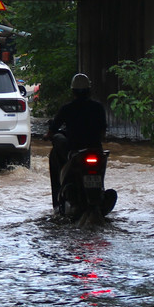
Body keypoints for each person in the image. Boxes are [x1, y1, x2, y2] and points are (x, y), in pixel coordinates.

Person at [46, 73, 107, 208]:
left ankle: (58, 204)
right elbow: (103, 131)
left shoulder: (67, 108)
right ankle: (100, 191)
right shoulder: (98, 108)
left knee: (56, 149)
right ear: (89, 90)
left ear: (73, 91)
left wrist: (49, 135)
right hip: (96, 149)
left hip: (74, 151)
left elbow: (52, 130)